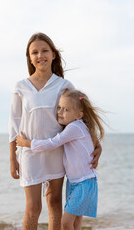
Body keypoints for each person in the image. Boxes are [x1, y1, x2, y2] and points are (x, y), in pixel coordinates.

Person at [9, 32, 102, 230]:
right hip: (29, 153)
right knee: (33, 208)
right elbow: (14, 125)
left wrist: (97, 146)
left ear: (53, 55)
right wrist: (12, 158)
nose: (40, 55)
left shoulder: (64, 85)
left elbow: (81, 118)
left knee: (54, 204)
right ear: (29, 57)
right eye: (34, 52)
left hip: (57, 153)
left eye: (44, 51)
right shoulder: (21, 87)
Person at [16, 89, 104, 230]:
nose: (60, 112)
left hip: (83, 183)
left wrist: (26, 143)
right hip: (75, 182)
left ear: (78, 115)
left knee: (65, 223)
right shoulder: (78, 126)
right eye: (59, 108)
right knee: (75, 224)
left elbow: (52, 143)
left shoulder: (74, 127)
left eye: (66, 109)